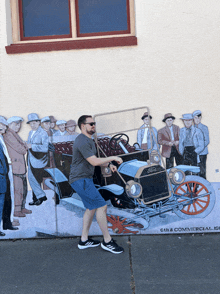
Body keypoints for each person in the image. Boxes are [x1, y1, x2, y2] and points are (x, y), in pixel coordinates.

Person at [69, 115, 124, 254]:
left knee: (91, 208)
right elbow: (93, 162)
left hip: (84, 179)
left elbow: (94, 160)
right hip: (80, 180)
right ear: (82, 126)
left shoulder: (89, 140)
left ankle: (84, 240)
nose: (93, 126)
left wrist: (108, 164)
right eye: (91, 124)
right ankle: (107, 241)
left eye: (94, 123)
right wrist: (113, 158)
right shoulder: (82, 141)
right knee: (101, 205)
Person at [3, 116, 31, 218]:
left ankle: (22, 207)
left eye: (19, 124)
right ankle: (17, 209)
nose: (18, 126)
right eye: (15, 124)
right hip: (15, 167)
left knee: (23, 188)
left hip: (19, 166)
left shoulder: (14, 134)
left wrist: (24, 145)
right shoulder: (9, 135)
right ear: (9, 125)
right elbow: (22, 150)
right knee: (17, 189)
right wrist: (26, 146)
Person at [0, 116, 18, 231]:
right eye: (3, 125)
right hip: (1, 173)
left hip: (5, 172)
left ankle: (7, 224)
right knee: (1, 201)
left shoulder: (2, 137)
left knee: (7, 199)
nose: (5, 127)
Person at [26, 113, 49, 206]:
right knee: (31, 179)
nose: (32, 125)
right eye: (30, 123)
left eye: (34, 123)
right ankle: (39, 197)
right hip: (31, 159)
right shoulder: (30, 133)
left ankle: (39, 198)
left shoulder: (43, 133)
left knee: (37, 179)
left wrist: (32, 146)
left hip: (39, 160)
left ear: (39, 123)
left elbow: (45, 148)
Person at [193, 110, 210, 179]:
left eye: (198, 118)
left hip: (202, 152)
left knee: (202, 169)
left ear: (201, 118)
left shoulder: (204, 128)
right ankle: (195, 186)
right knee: (194, 170)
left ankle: (204, 185)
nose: (197, 120)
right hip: (193, 153)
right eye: (195, 118)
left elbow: (207, 141)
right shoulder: (192, 128)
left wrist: (199, 149)